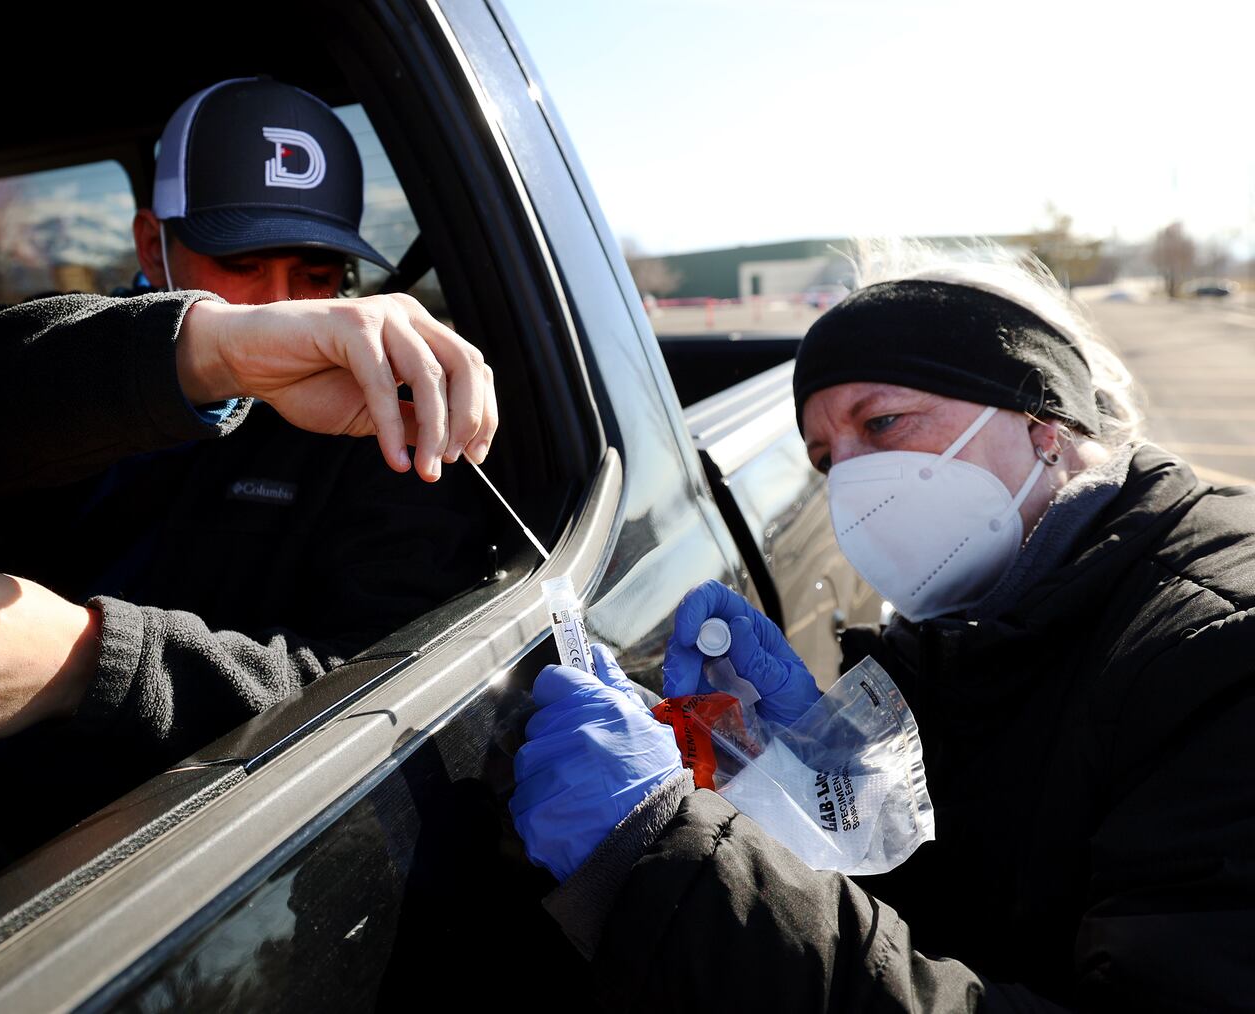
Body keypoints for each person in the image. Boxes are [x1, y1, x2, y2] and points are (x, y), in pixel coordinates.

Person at [510, 240, 1253, 1010]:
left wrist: (673, 871)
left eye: (885, 422)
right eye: (829, 459)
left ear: (1043, 421)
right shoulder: (950, 636)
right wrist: (824, 790)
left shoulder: (1223, 650)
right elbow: (971, 925)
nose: (856, 482)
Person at [0, 77, 499, 762]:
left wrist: (88, 664)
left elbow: (386, 682)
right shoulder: (70, 349)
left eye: (317, 273)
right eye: (240, 260)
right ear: (147, 243)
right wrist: (211, 349)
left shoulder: (379, 421)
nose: (282, 301)